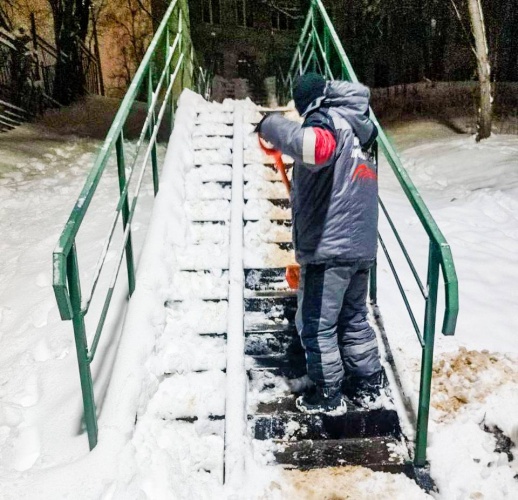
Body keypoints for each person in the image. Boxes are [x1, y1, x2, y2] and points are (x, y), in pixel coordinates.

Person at [256, 73, 384, 414]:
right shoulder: (361, 129)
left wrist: (272, 126)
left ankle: (328, 393)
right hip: (359, 246)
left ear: (309, 102)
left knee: (316, 325)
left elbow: (315, 148)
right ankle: (370, 383)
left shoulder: (326, 120)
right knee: (354, 318)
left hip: (330, 247)